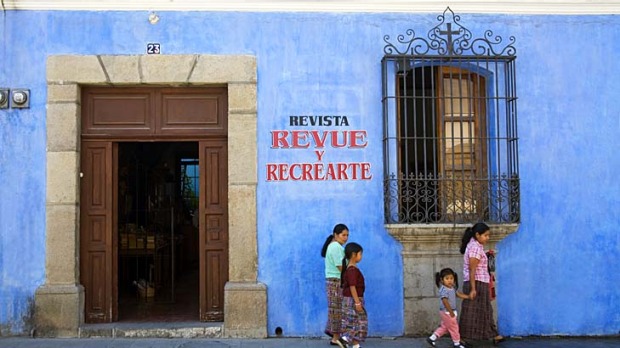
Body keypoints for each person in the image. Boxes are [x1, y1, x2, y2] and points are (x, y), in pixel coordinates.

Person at [459, 222, 505, 345]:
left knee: (484, 309)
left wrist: (486, 254)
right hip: (477, 283)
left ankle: (490, 334)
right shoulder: (474, 247)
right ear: (477, 235)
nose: (487, 238)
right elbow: (472, 269)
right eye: (485, 235)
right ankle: (463, 337)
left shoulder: (476, 246)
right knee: (472, 311)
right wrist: (473, 288)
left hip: (480, 282)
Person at [321, 224, 350, 348]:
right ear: (335, 235)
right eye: (343, 235)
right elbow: (340, 267)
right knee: (338, 310)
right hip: (336, 281)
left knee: (335, 308)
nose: (346, 238)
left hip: (333, 281)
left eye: (347, 235)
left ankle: (334, 336)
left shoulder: (333, 246)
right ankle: (336, 337)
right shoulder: (335, 247)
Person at [426, 268, 470, 348]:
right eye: (447, 278)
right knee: (454, 328)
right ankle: (457, 344)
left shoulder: (452, 288)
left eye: (451, 278)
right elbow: (445, 301)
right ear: (442, 280)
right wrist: (451, 312)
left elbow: (458, 294)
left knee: (445, 327)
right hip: (447, 312)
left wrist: (468, 297)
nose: (450, 280)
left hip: (446, 312)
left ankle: (432, 338)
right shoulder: (444, 289)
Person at [340, 242, 367, 348]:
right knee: (358, 321)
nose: (361, 256)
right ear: (353, 255)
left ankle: (355, 344)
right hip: (353, 299)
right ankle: (345, 339)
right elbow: (352, 286)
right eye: (360, 254)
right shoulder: (352, 270)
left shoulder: (350, 269)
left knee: (354, 320)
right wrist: (357, 302)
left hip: (351, 299)